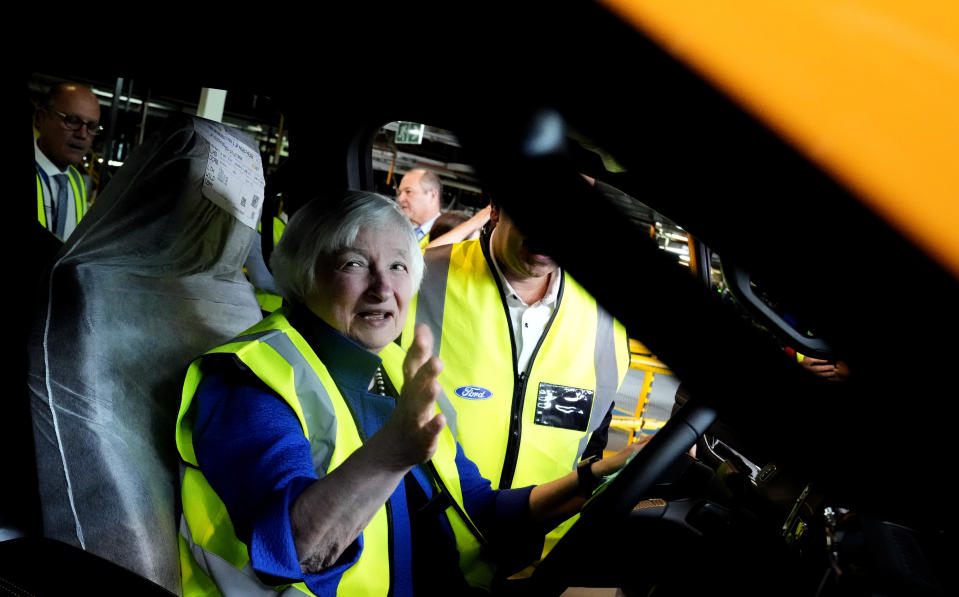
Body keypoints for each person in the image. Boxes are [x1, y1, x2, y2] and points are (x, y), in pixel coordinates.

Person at [175, 191, 642, 596]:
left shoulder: (393, 371)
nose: (383, 288)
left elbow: (478, 509)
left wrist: (599, 476)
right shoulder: (251, 381)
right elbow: (294, 552)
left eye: (398, 265)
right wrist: (391, 454)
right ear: (304, 273)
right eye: (355, 264)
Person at [401, 196, 631, 560]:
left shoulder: (608, 317)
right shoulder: (417, 280)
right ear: (496, 208)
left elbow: (592, 440)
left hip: (538, 557)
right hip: (416, 544)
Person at [34, 81, 101, 241]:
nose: (83, 134)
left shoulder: (76, 181)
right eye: (72, 121)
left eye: (91, 126)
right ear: (42, 118)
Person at [396, 168, 442, 248]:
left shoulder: (448, 234)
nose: (400, 199)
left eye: (408, 191)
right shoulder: (397, 230)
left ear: (433, 195)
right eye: (400, 193)